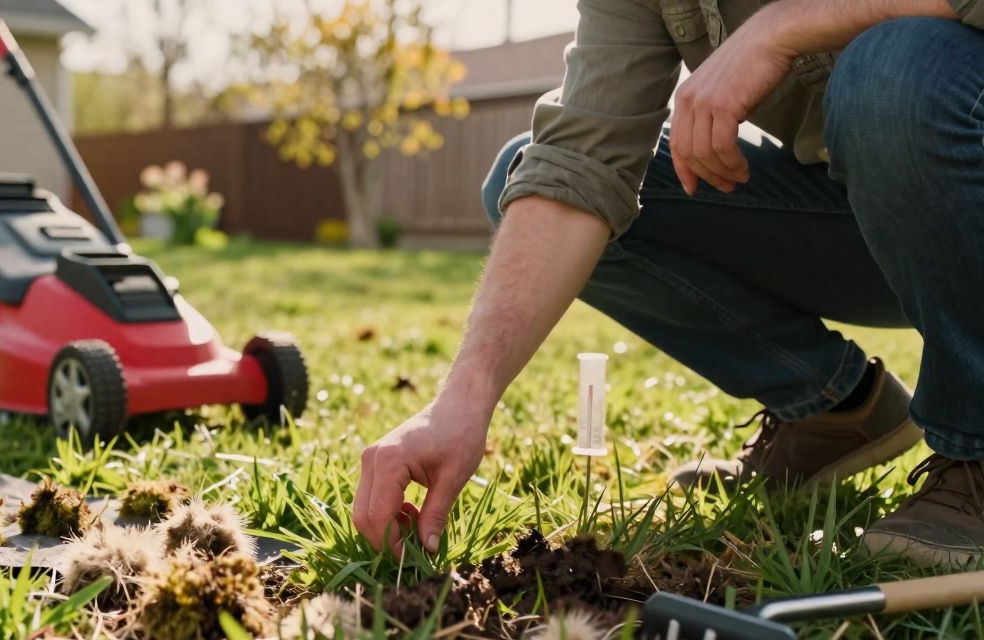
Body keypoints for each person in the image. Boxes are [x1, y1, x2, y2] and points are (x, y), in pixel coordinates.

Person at [353, 0, 984, 567]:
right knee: (536, 176)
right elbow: (582, 161)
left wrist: (781, 27)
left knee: (895, 72)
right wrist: (462, 399)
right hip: (886, 219)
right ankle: (834, 409)